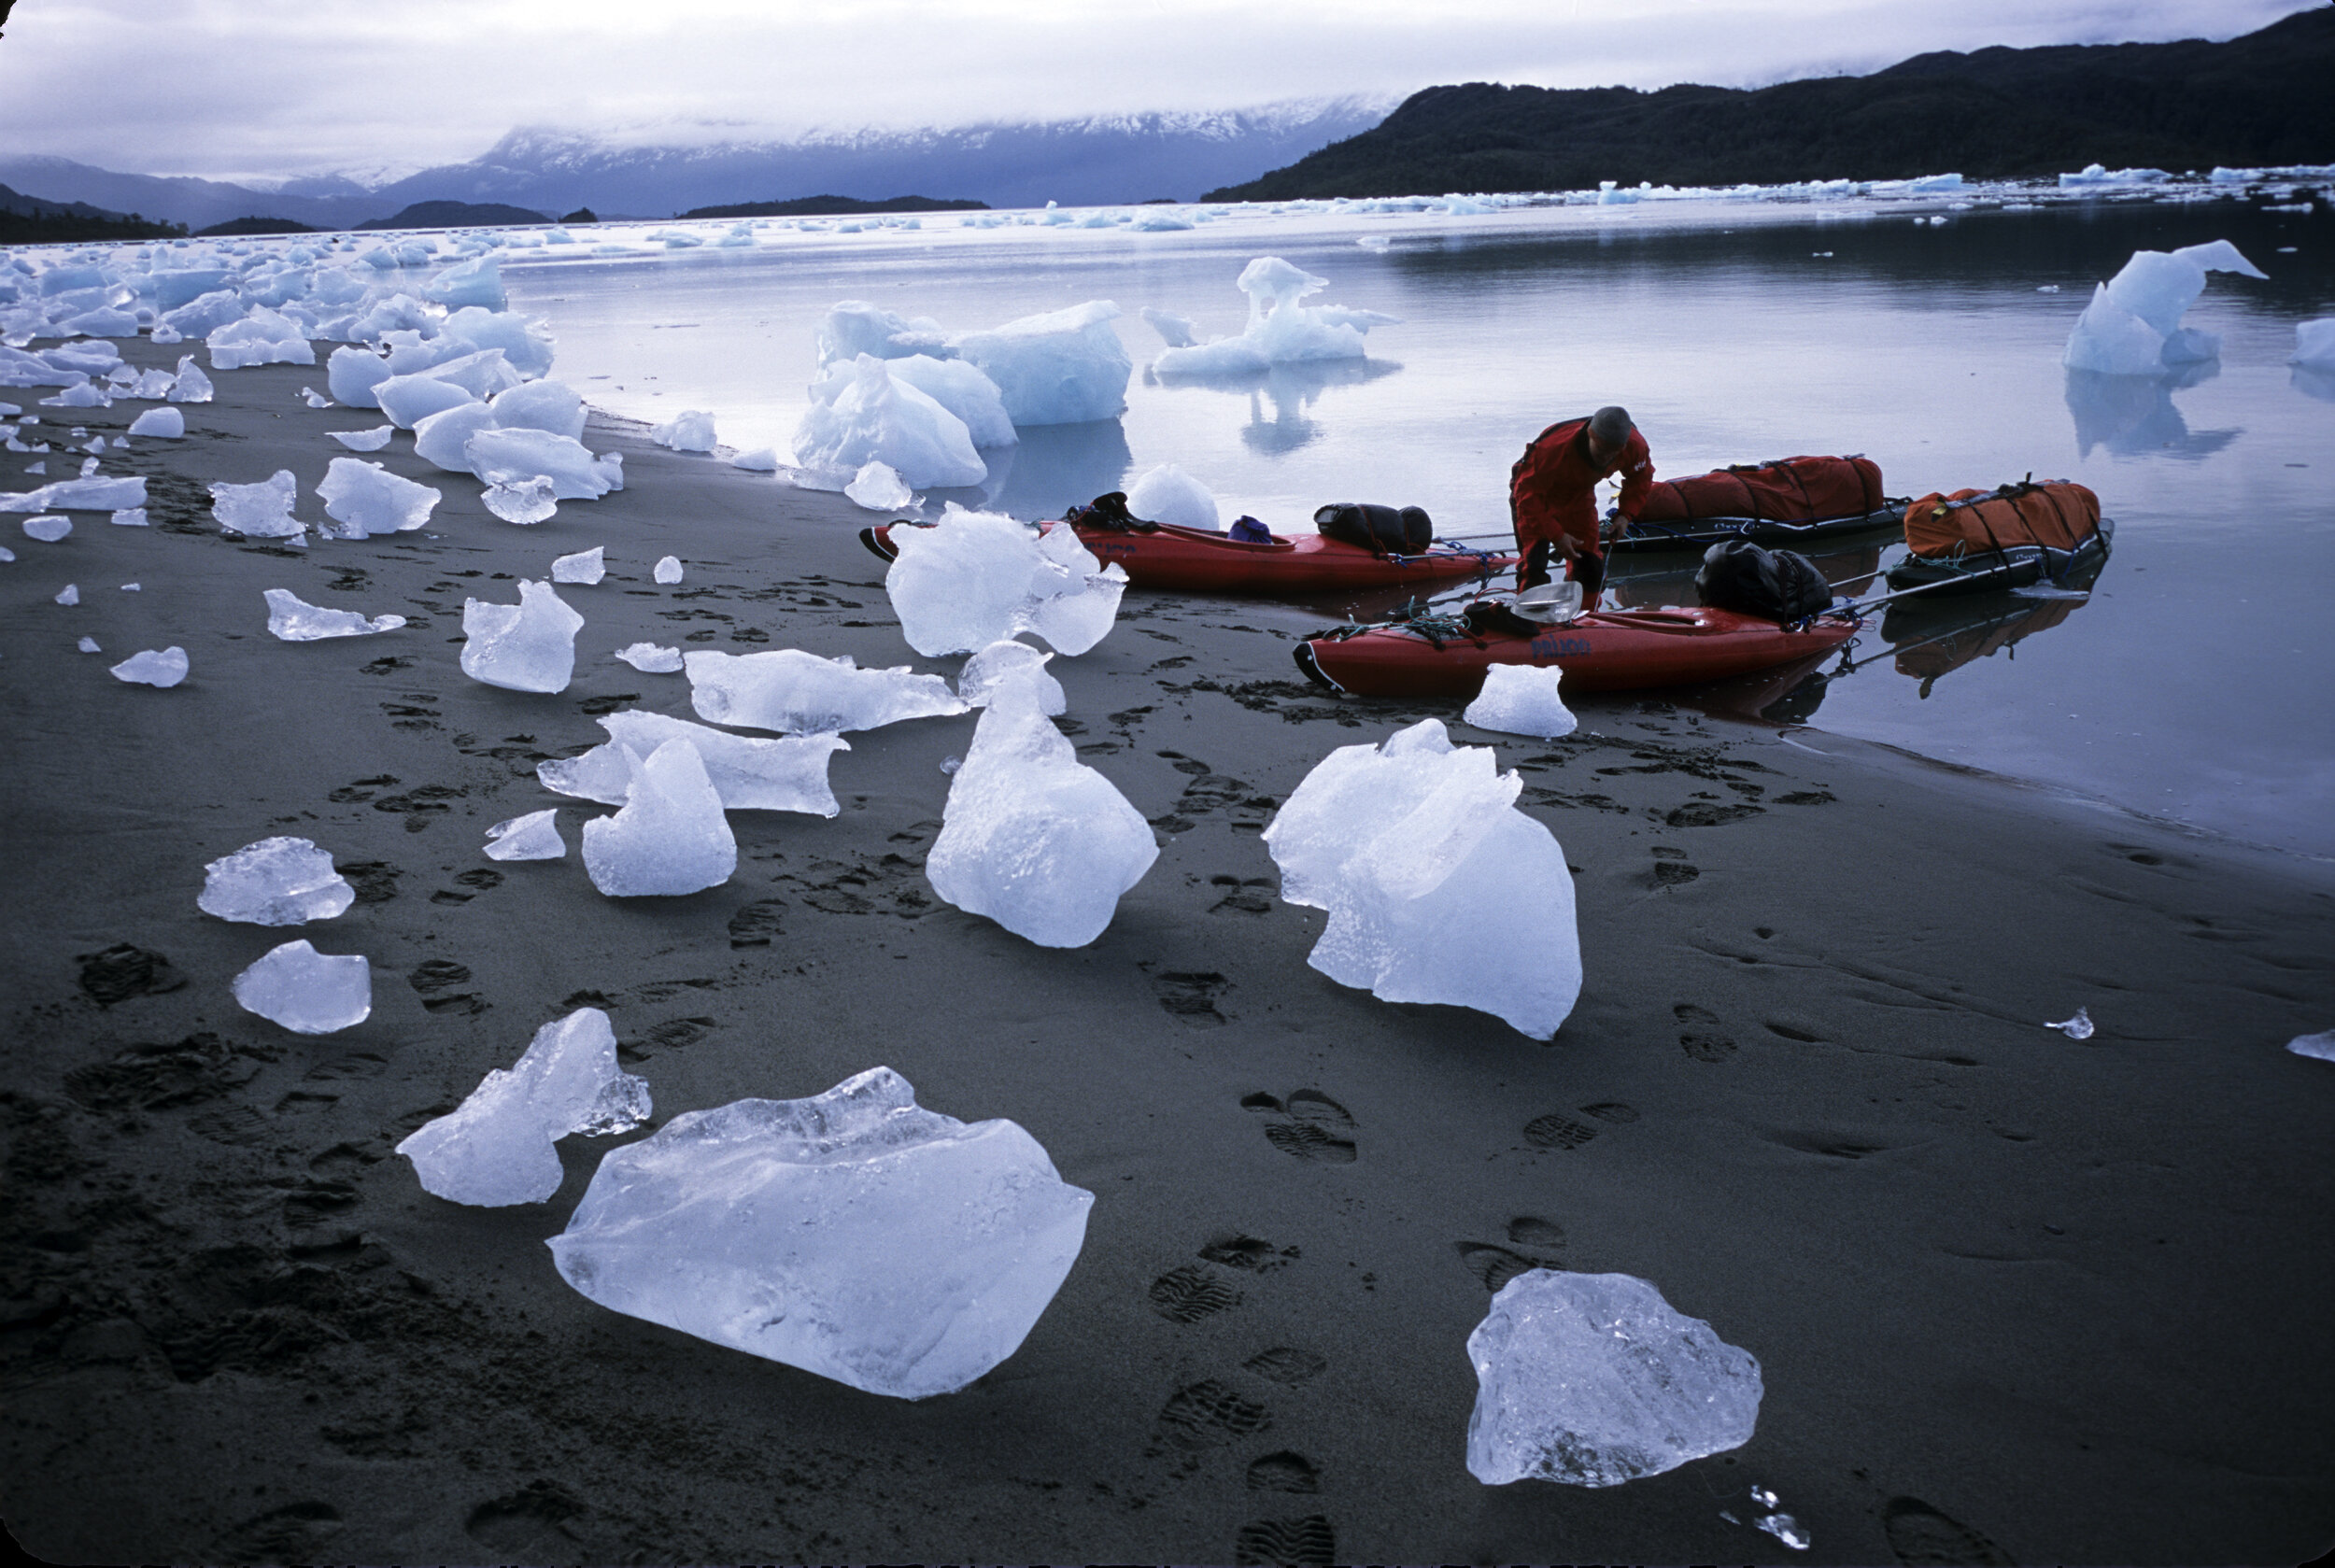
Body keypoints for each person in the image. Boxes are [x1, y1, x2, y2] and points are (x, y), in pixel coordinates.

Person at [1507, 404, 1652, 608]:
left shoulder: (1635, 446)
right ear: (1591, 434)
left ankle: (1584, 617)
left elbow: (1640, 480)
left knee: (1590, 565)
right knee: (1534, 564)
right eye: (1601, 450)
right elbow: (1527, 497)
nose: (1606, 458)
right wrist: (1557, 535)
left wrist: (1625, 515)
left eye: (1613, 453)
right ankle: (1531, 617)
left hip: (1578, 494)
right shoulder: (1551, 450)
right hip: (1535, 497)